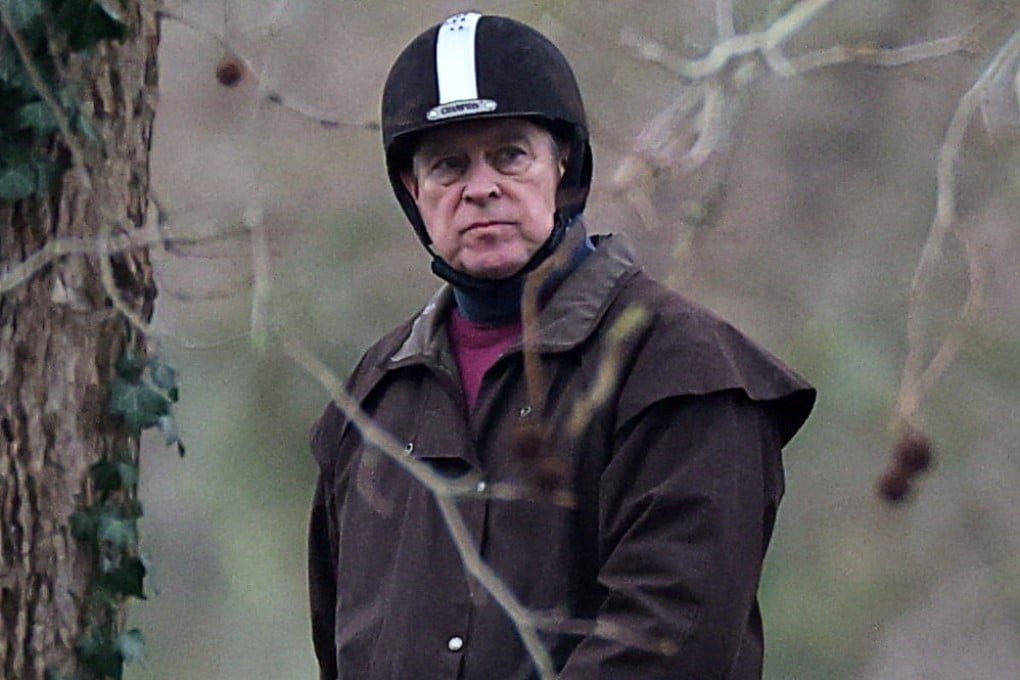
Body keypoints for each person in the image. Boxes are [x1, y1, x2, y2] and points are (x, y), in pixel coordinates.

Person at [308, 12, 815, 680]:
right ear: (413, 189)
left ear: (564, 165)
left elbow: (671, 639)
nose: (481, 188)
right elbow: (340, 643)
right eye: (448, 165)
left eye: (510, 155)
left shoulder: (685, 371)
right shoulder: (373, 399)